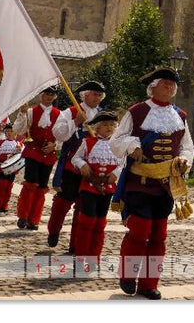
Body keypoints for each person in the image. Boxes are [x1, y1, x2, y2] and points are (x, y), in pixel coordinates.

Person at [110, 67, 193, 300]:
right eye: (166, 83)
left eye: (173, 84)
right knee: (139, 231)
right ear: (153, 86)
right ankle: (128, 275)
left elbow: (187, 145)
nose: (170, 87)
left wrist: (185, 159)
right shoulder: (137, 112)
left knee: (159, 235)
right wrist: (131, 146)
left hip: (166, 185)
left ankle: (149, 283)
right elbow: (116, 141)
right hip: (140, 183)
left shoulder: (181, 115)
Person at [47, 81, 106, 250]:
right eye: (95, 94)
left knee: (83, 209)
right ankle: (54, 230)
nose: (98, 97)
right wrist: (75, 121)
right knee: (63, 203)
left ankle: (75, 244)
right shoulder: (70, 112)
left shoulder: (102, 115)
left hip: (92, 170)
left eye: (100, 95)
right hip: (71, 167)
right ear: (85, 95)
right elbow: (58, 134)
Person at [71, 111, 123, 257]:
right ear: (97, 128)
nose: (109, 128)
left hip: (107, 187)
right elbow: (76, 158)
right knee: (87, 220)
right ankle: (81, 254)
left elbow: (123, 163)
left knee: (100, 223)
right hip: (89, 186)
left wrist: (116, 174)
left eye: (112, 125)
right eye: (105, 125)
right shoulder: (87, 142)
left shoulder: (118, 145)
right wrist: (82, 165)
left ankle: (94, 256)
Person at [13, 86, 61, 230]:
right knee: (30, 184)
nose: (49, 97)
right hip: (33, 151)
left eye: (52, 95)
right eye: (47, 94)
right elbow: (18, 130)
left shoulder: (59, 114)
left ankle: (34, 219)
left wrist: (55, 145)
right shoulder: (31, 112)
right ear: (41, 96)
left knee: (42, 187)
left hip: (49, 153)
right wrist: (22, 113)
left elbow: (63, 134)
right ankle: (23, 215)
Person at [0, 124, 23, 214]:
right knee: (2, 185)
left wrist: (20, 150)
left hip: (12, 168)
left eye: (10, 131)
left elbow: (22, 154)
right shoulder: (0, 142)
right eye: (7, 131)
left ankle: (4, 205)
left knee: (9, 186)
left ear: (15, 132)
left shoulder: (18, 143)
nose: (8, 133)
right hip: (2, 167)